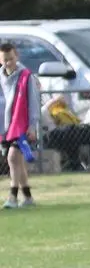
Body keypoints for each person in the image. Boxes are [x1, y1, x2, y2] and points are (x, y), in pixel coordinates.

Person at [1, 42, 39, 207]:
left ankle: (12, 197)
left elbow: (33, 102)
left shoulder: (26, 76)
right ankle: (28, 198)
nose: (8, 62)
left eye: (11, 58)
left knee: (13, 157)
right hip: (6, 127)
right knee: (16, 162)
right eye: (5, 59)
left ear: (17, 56)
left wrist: (32, 125)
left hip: (22, 126)